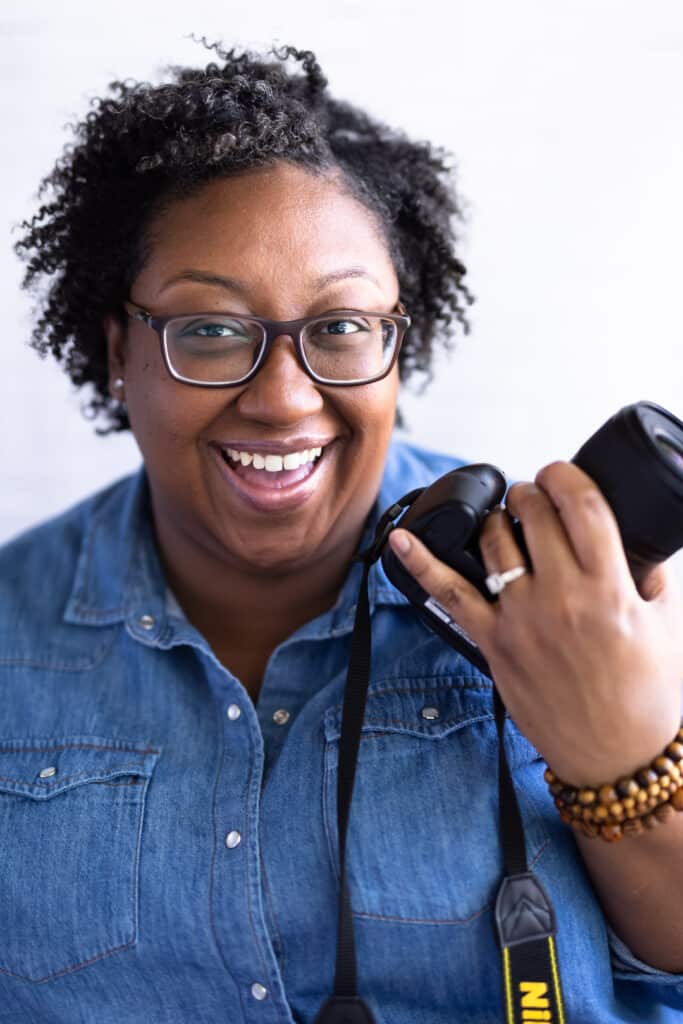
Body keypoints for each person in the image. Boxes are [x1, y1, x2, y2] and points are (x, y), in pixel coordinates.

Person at [2, 39, 683, 1024]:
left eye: (340, 327)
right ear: (120, 352)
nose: (282, 400)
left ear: (399, 345)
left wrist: (622, 757)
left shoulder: (556, 605)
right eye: (209, 329)